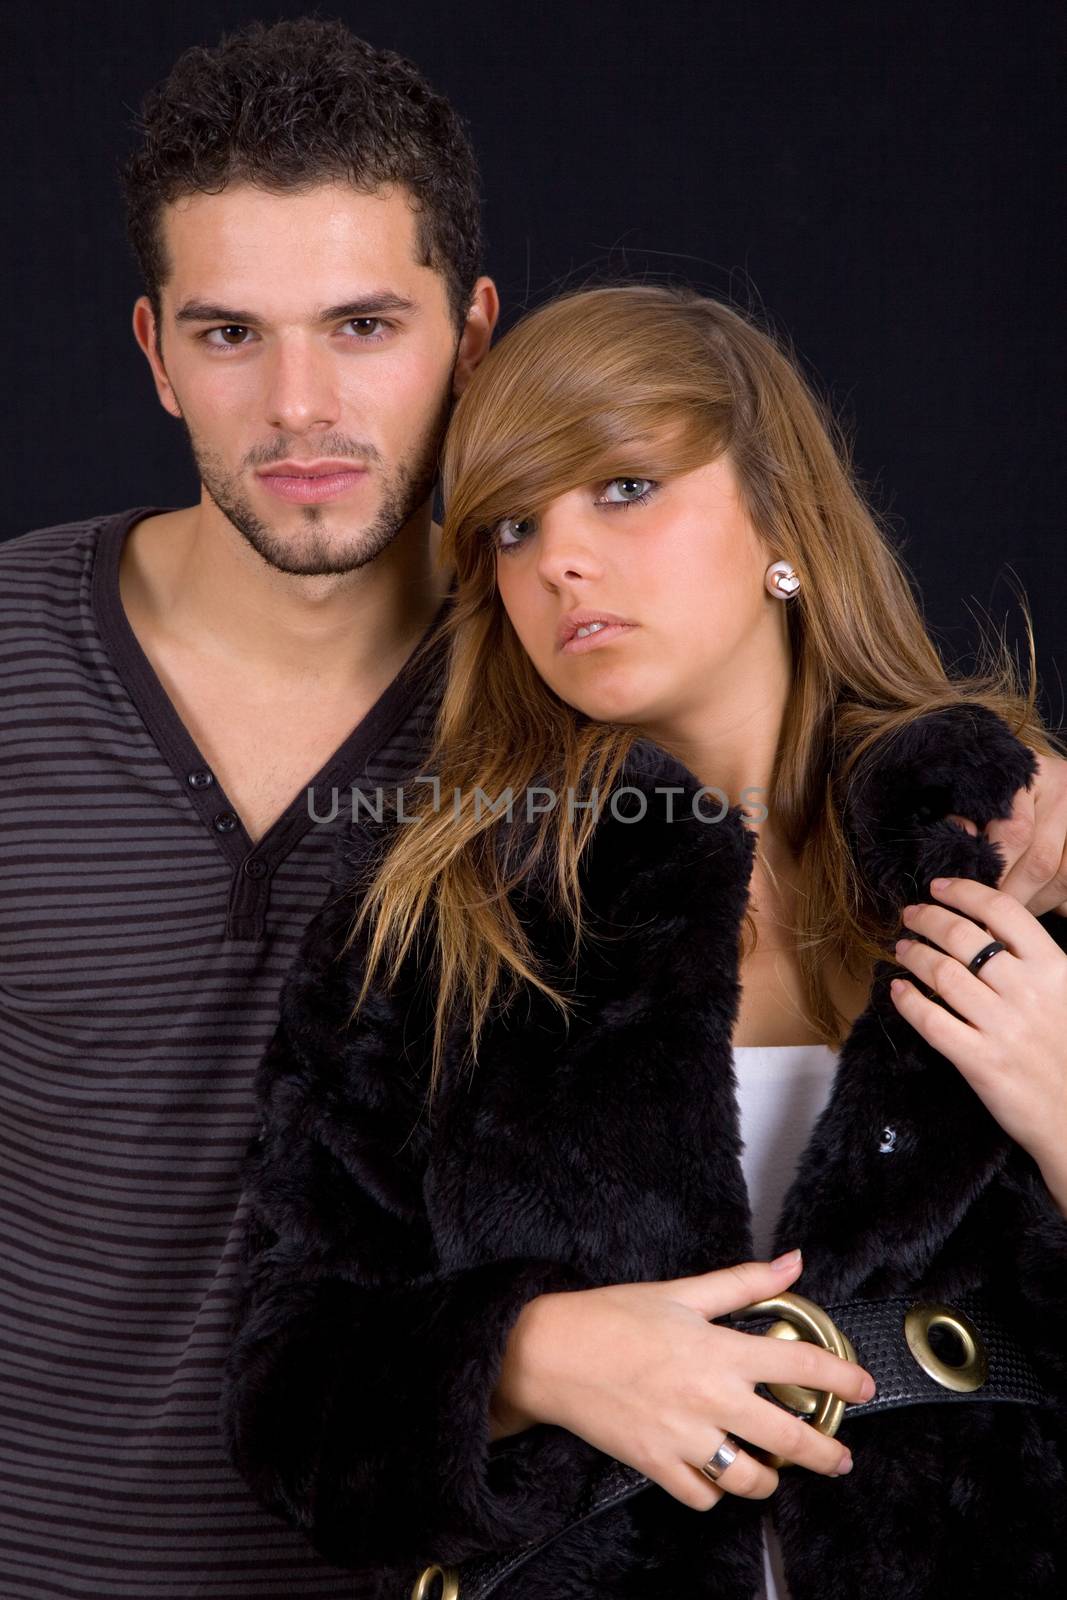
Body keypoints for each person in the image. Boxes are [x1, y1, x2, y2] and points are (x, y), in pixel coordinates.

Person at [221, 283, 1067, 1600]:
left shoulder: (1022, 855)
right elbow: (290, 1403)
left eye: (623, 488)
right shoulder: (428, 936)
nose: (558, 558)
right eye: (511, 524)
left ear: (782, 517)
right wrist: (531, 1358)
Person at [0, 18, 500, 1599]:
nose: (299, 408)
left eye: (362, 324)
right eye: (231, 335)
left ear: (472, 336)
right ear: (153, 352)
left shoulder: (582, 684)